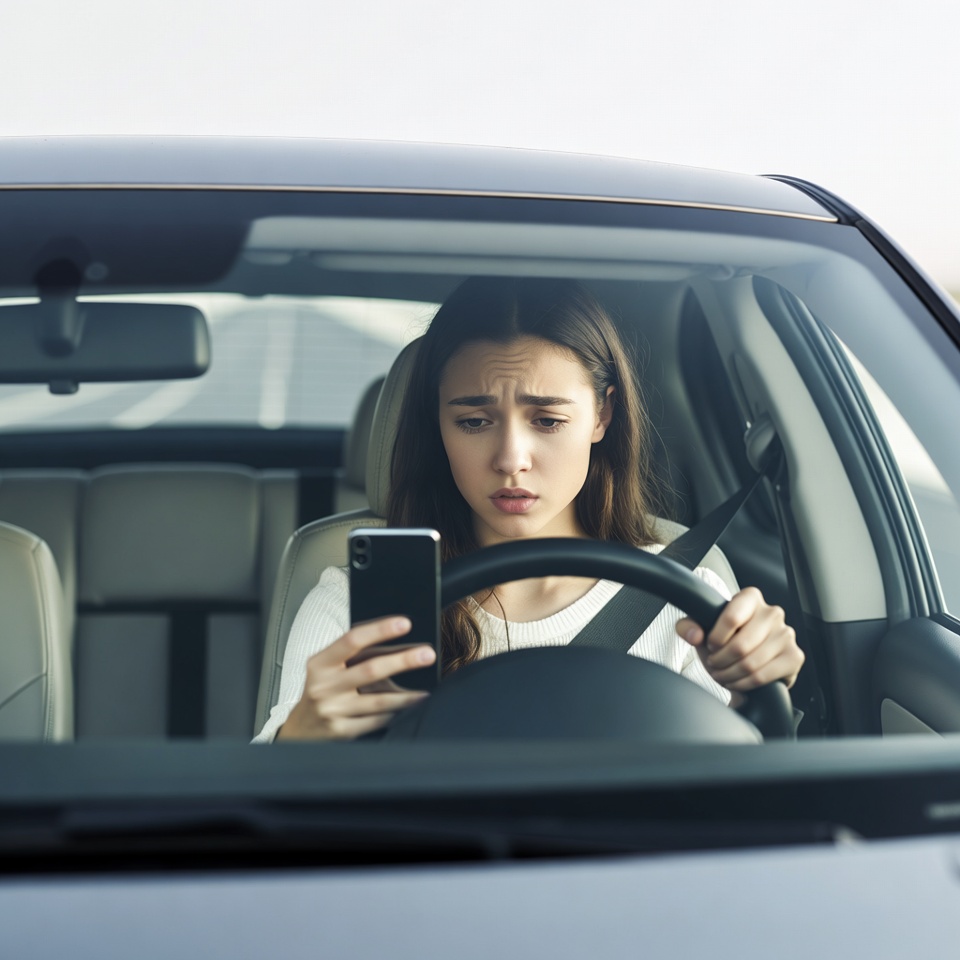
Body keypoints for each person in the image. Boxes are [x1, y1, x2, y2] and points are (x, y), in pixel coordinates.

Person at [254, 277, 804, 743]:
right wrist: (301, 733)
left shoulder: (687, 600)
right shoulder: (357, 606)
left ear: (601, 416)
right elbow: (267, 817)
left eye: (547, 420)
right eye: (473, 422)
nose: (510, 460)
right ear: (437, 425)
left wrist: (752, 690)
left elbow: (729, 810)